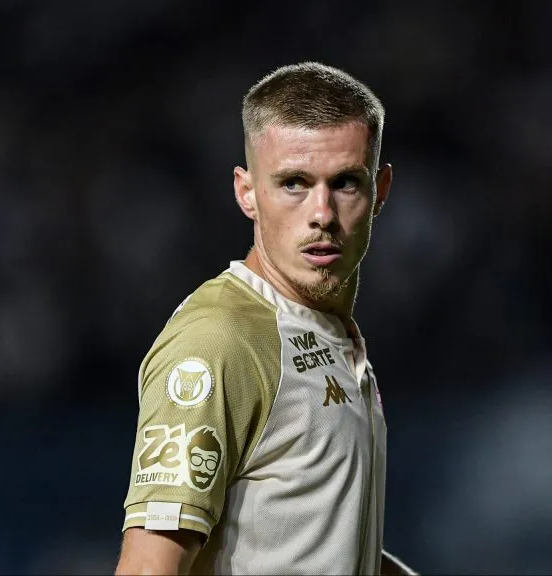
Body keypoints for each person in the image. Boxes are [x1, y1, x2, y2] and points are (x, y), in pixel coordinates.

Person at [114, 61, 416, 576]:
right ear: (246, 192)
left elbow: (317, 547)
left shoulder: (323, 331)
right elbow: (148, 568)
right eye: (294, 183)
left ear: (380, 191)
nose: (322, 213)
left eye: (345, 183)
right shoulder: (220, 342)